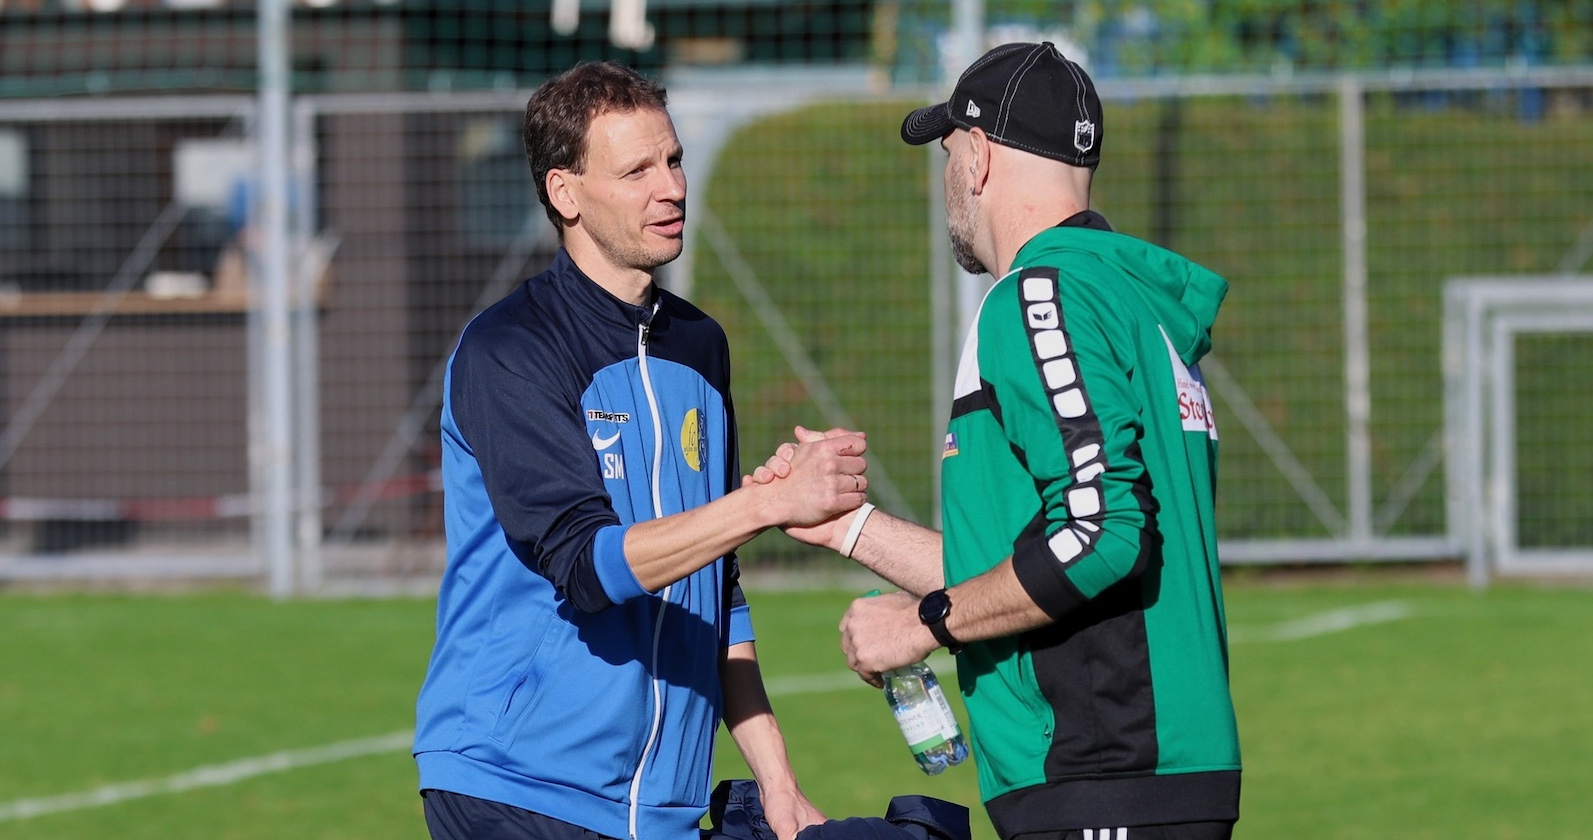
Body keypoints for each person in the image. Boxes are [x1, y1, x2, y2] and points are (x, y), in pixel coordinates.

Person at [762, 42, 1241, 840]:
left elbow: (1102, 534)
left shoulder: (1040, 293)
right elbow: (1036, 555)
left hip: (1102, 771)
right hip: (1139, 775)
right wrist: (848, 529)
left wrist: (923, 622)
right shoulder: (1122, 295)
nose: (948, 179)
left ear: (978, 155)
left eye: (947, 153)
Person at [413, 61, 868, 840]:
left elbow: (716, 591)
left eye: (674, 159)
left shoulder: (700, 345)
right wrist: (763, 503)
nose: (672, 187)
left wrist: (778, 778)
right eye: (636, 170)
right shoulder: (510, 350)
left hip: (657, 808)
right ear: (566, 193)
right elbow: (587, 567)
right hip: (514, 788)